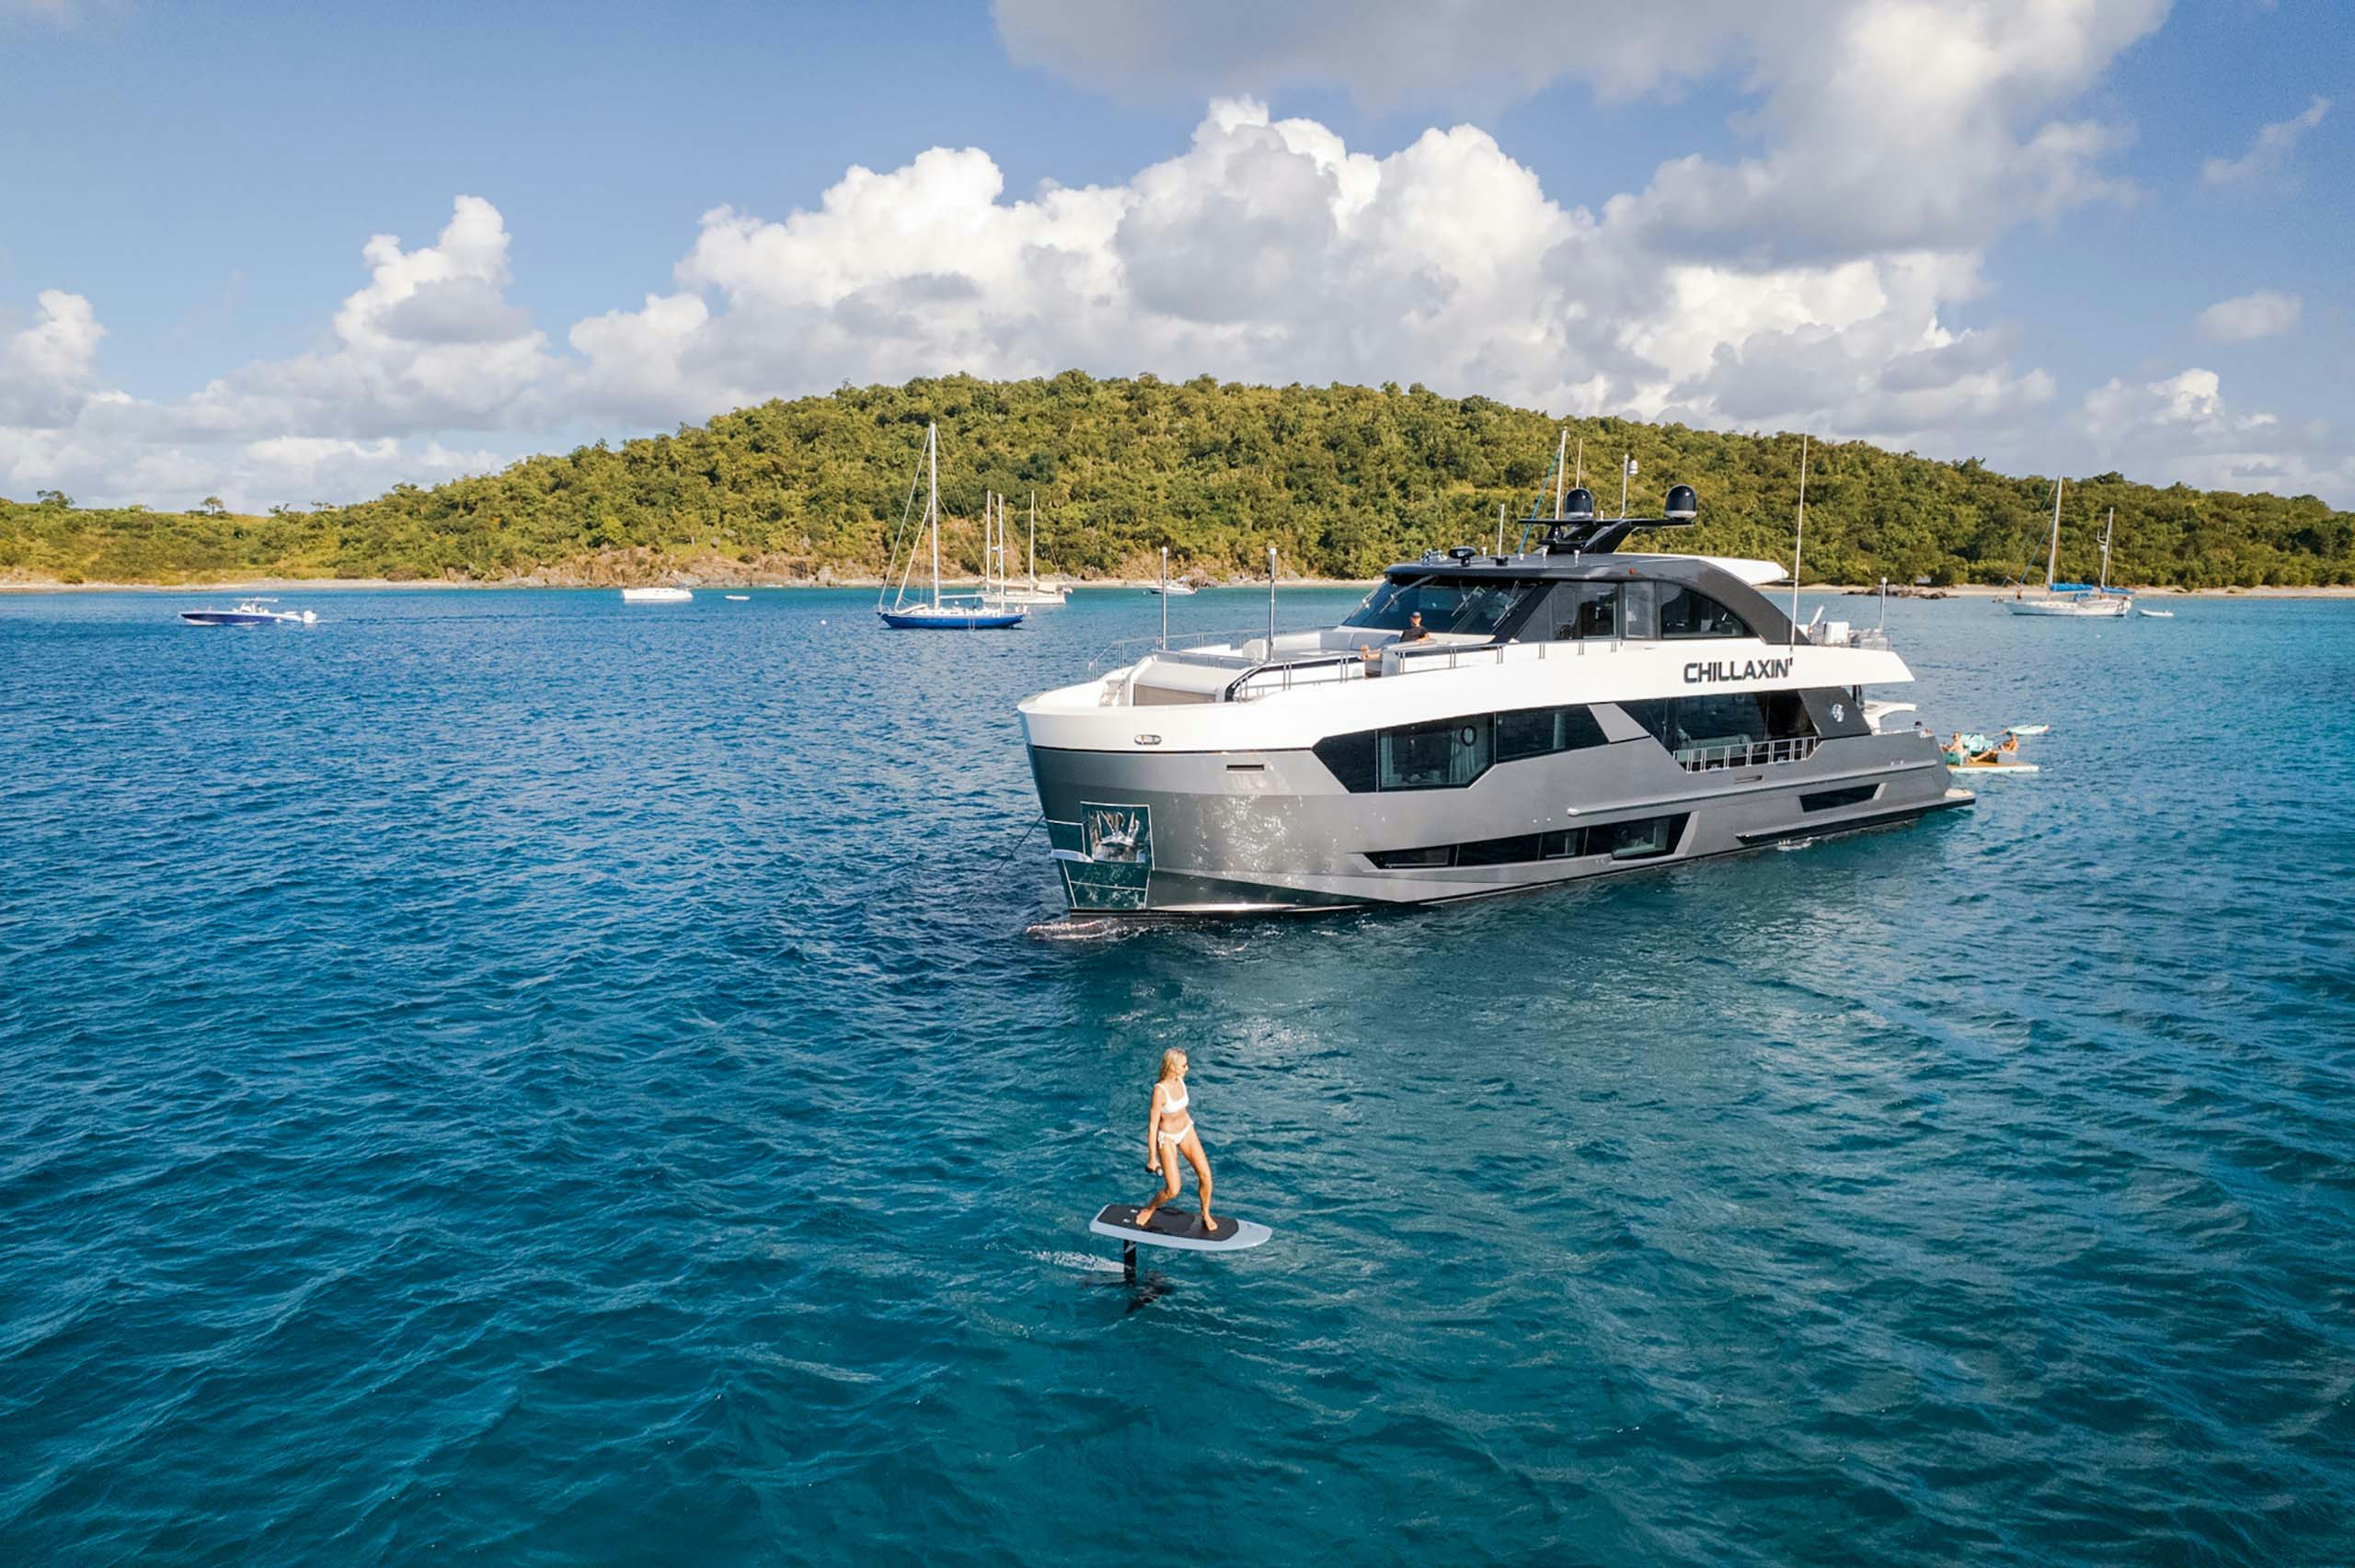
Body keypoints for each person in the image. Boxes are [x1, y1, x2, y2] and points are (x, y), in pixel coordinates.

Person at [1134, 1048, 1214, 1233]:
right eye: (1184, 1065)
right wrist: (1152, 1158)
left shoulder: (1180, 1081)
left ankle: (1206, 1214)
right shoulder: (1159, 1091)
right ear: (1173, 1067)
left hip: (1186, 1130)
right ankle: (1149, 1208)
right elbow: (1153, 1126)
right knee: (1173, 1190)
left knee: (1206, 1176)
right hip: (1168, 1137)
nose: (1187, 1068)